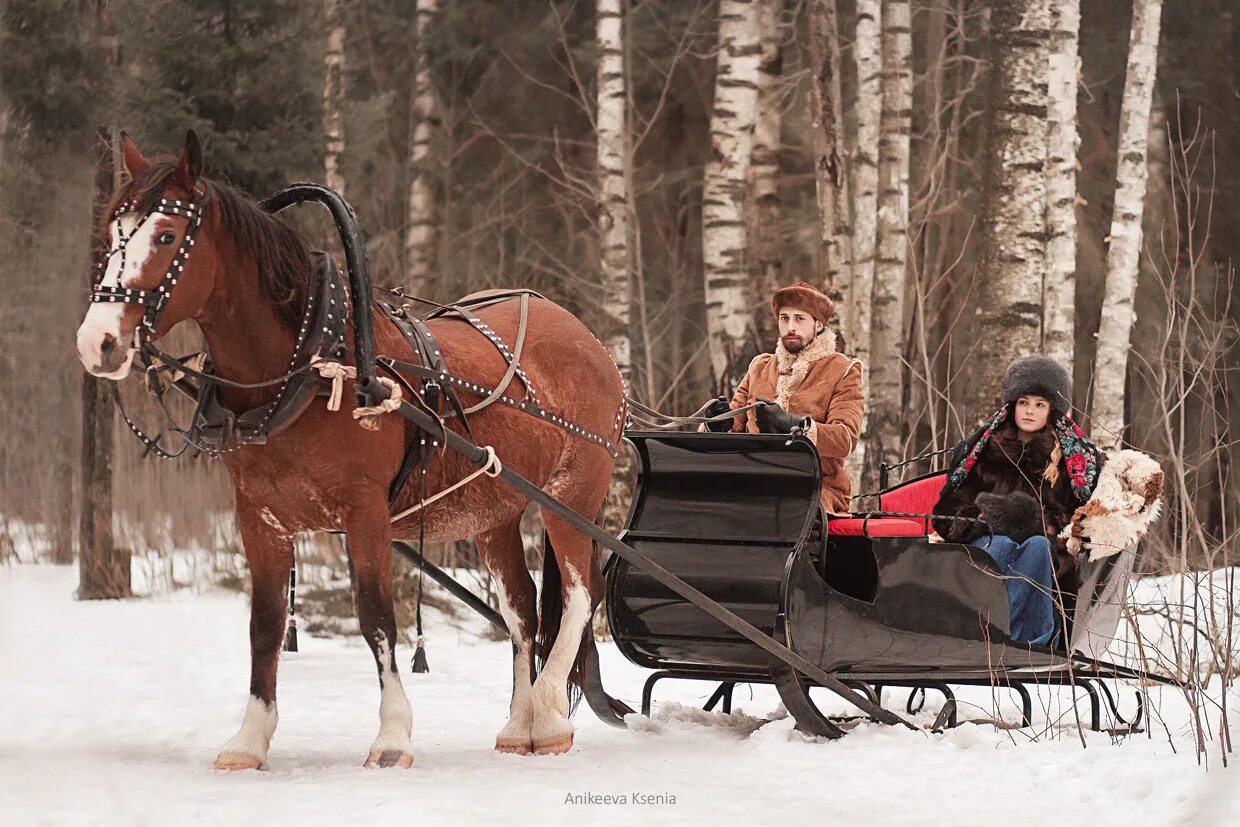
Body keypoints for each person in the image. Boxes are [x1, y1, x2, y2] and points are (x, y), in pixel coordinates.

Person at [931, 356, 1102, 646]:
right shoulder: (984, 451)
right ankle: (988, 635)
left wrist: (1041, 523)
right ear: (1012, 405)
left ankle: (1031, 642)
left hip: (1043, 544)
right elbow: (947, 509)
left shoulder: (1065, 461)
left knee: (1036, 548)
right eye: (1023, 402)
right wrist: (981, 519)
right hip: (985, 539)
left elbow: (1075, 515)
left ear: (1052, 410)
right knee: (1000, 545)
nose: (1030, 411)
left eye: (1039, 404)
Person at [701, 281, 864, 516]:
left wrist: (794, 425)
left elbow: (845, 439)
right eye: (784, 318)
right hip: (755, 480)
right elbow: (735, 424)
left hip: (818, 487)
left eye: (799, 318)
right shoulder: (760, 367)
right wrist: (717, 424)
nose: (790, 327)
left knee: (785, 510)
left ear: (818, 325)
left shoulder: (843, 370)